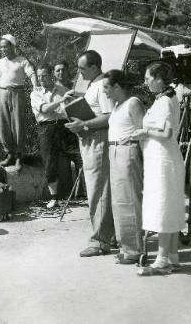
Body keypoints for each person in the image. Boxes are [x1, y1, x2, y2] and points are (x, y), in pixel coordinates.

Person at [131, 62, 185, 276]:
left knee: (163, 206)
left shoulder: (164, 102)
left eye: (147, 78)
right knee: (168, 206)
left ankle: (162, 260)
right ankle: (172, 257)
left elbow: (166, 134)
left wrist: (143, 132)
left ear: (159, 79)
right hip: (161, 160)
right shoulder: (165, 98)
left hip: (163, 161)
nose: (145, 82)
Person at [65, 50, 116, 257]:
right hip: (89, 141)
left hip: (98, 142)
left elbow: (109, 116)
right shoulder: (93, 85)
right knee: (98, 190)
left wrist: (83, 123)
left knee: (99, 191)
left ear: (95, 67)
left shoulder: (102, 86)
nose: (79, 72)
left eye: (82, 68)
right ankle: (108, 236)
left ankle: (100, 241)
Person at [103, 70, 145, 265]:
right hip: (115, 151)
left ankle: (134, 249)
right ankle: (126, 246)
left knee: (130, 200)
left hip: (127, 151)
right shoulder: (117, 105)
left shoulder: (133, 102)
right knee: (120, 201)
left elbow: (142, 131)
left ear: (117, 87)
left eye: (106, 87)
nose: (104, 92)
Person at [31, 63, 82, 208]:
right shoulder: (35, 93)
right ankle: (54, 198)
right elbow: (45, 109)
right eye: (39, 76)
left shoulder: (64, 90)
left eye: (44, 75)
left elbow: (71, 110)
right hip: (46, 129)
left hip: (65, 127)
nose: (41, 79)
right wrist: (61, 100)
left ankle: (85, 192)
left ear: (50, 75)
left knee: (80, 156)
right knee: (50, 163)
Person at [0, 34, 38, 169]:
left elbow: (32, 74)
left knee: (18, 125)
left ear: (12, 46)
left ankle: (19, 156)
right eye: (1, 47)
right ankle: (9, 154)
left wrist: (36, 86)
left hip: (17, 93)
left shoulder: (22, 60)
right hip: (2, 93)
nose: (3, 49)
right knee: (3, 125)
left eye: (5, 46)